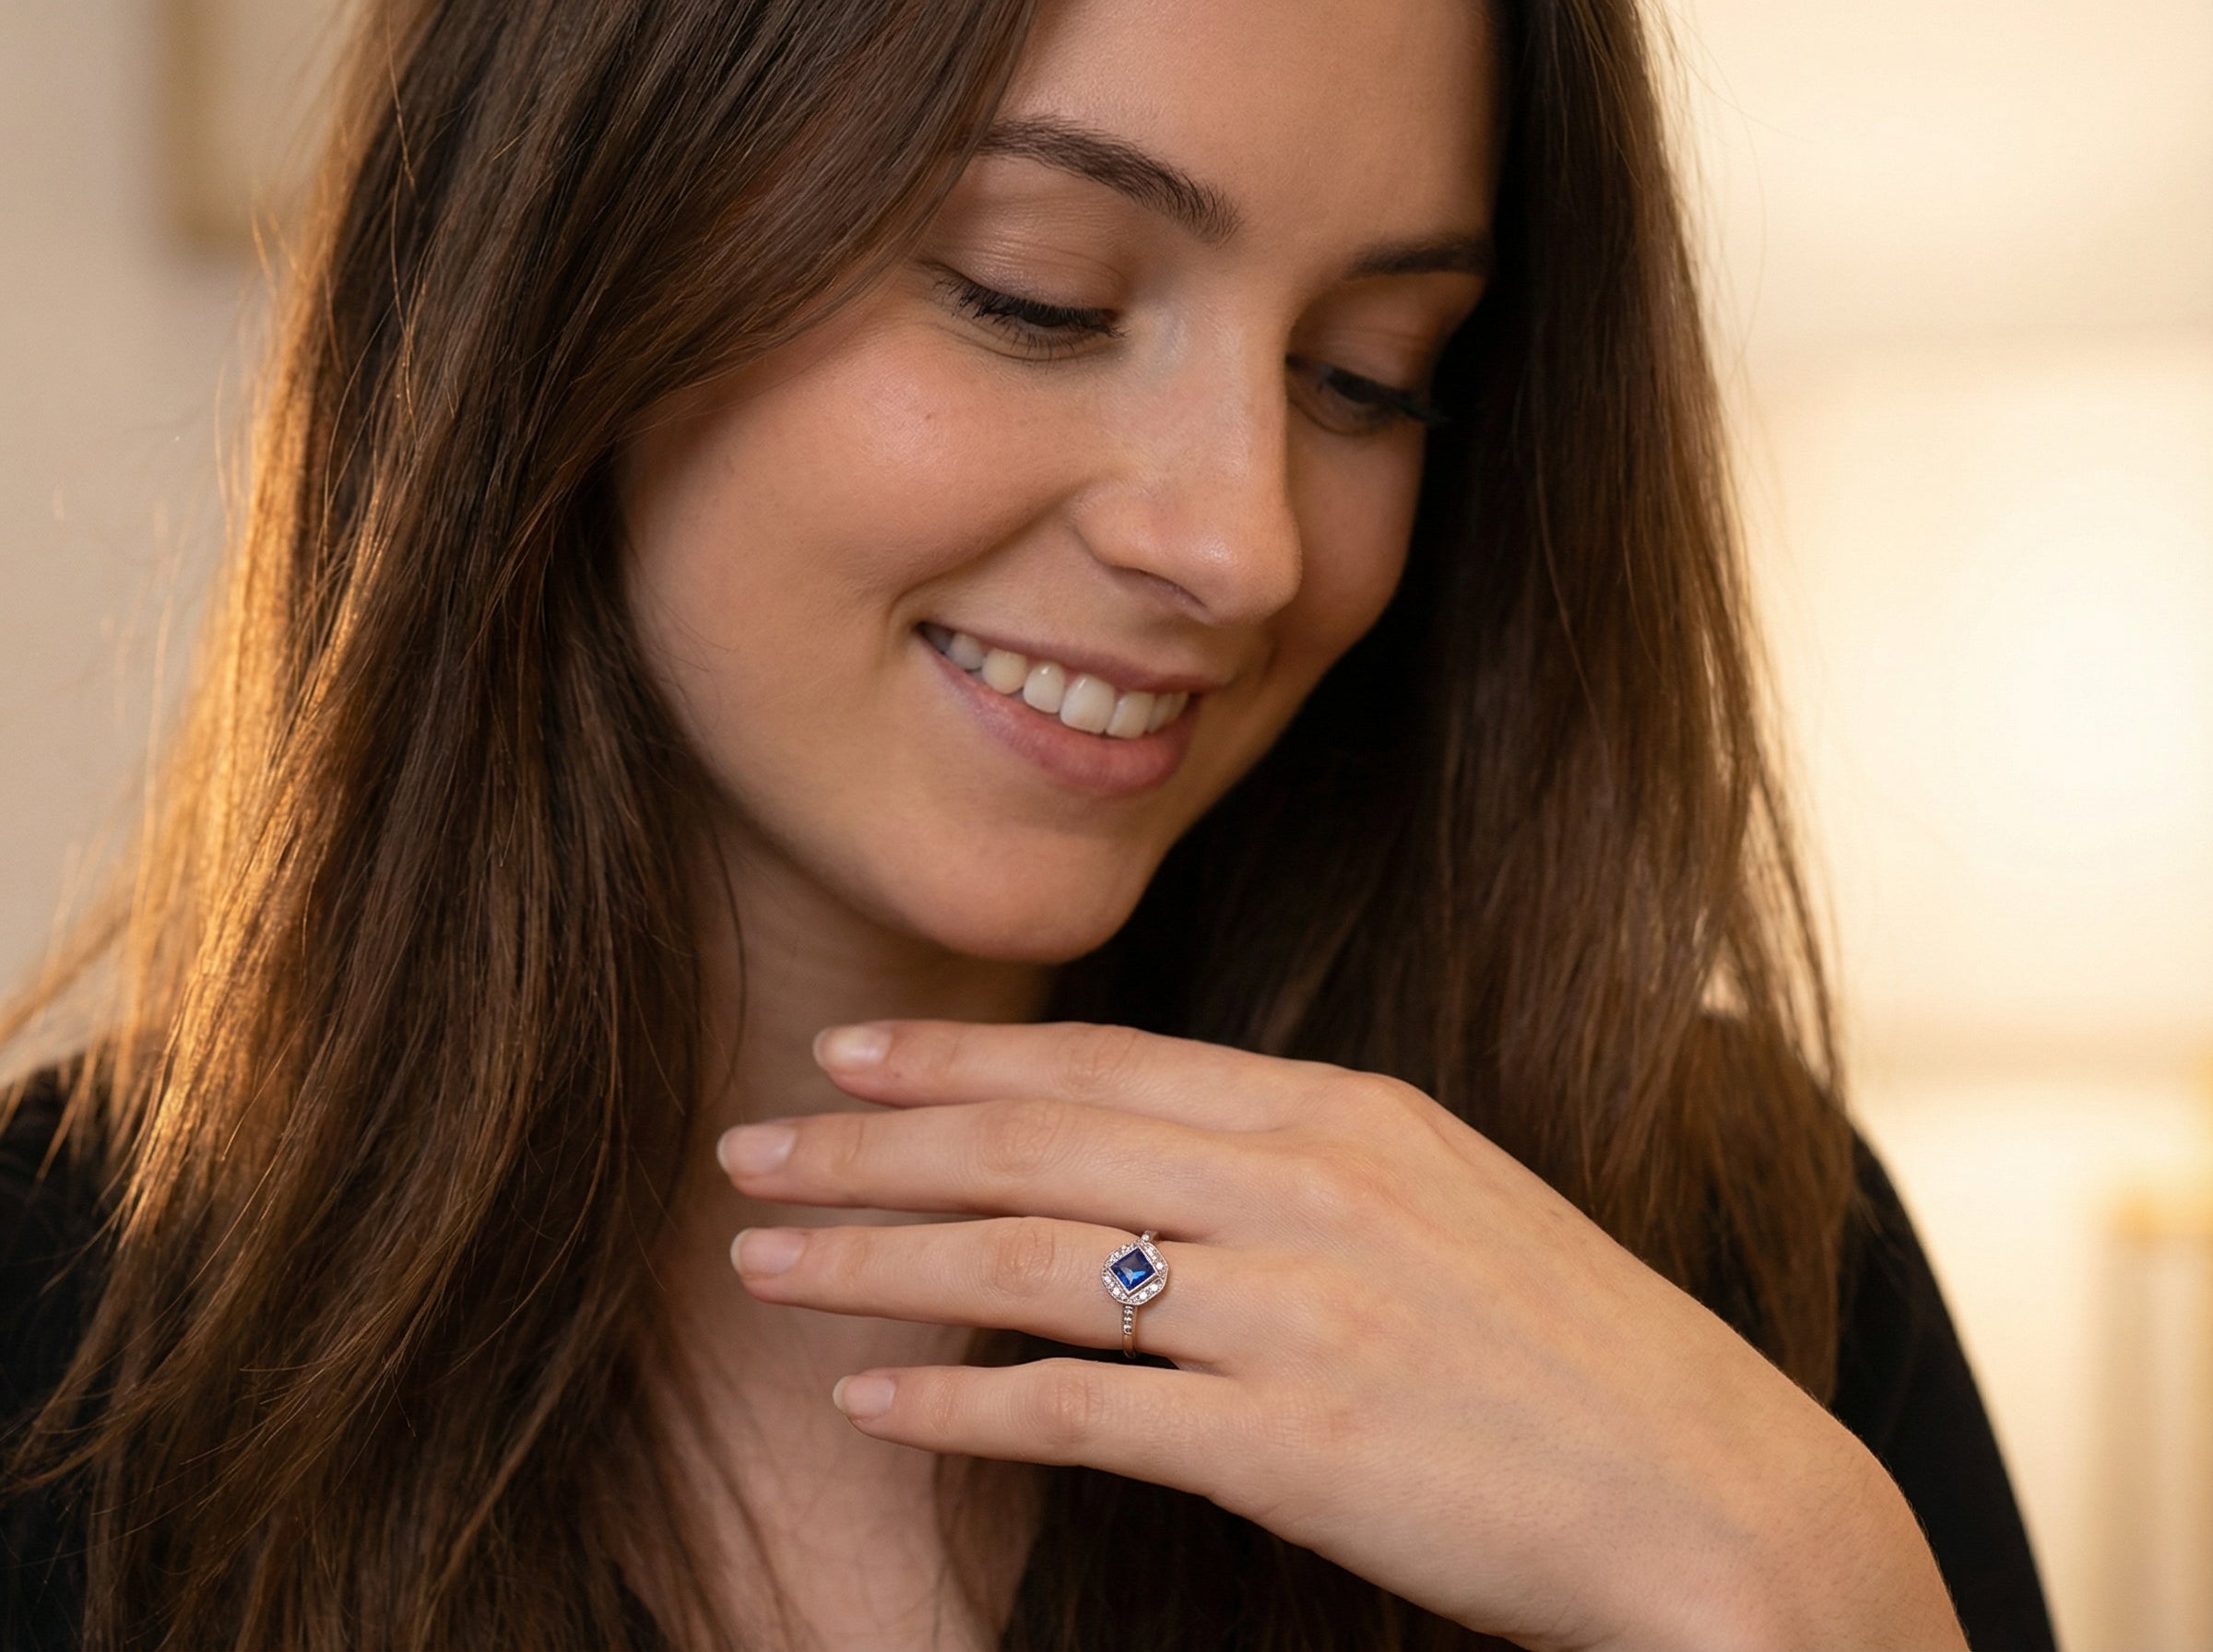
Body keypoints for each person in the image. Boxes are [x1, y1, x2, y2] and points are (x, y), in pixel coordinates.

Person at [0, 0, 2055, 1646]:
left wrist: (1801, 1590)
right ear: (569, 247)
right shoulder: (42, 1330)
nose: (1245, 543)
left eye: (1367, 377)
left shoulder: (1725, 1261)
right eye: (1039, 295)